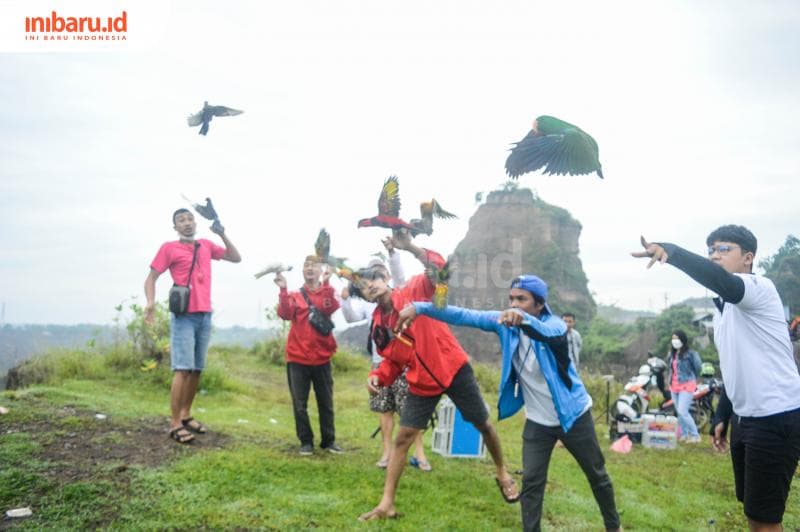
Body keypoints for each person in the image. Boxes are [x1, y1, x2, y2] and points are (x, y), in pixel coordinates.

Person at [397, 274, 621, 532]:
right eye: (511, 299)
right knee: (533, 481)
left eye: (522, 300)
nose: (514, 304)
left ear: (539, 304)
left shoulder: (556, 325)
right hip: (538, 422)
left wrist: (524, 320)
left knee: (597, 474)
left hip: (574, 416)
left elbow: (549, 332)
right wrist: (421, 307)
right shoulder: (503, 323)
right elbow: (462, 314)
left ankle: (614, 527)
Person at [633, 225, 800, 530]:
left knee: (766, 520)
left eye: (724, 249)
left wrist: (672, 253)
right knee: (753, 512)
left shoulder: (759, 288)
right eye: (711, 249)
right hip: (745, 417)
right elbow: (734, 367)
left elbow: (723, 282)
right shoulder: (723, 311)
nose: (714, 255)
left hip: (776, 416)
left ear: (748, 258)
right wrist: (724, 414)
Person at [358, 232, 519, 521]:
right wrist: (378, 376)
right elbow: (393, 359)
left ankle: (502, 471)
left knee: (483, 424)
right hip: (422, 380)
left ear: (385, 279)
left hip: (453, 367)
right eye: (363, 285)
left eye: (373, 278)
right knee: (403, 438)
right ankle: (386, 504)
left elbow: (441, 270)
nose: (369, 284)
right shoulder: (379, 324)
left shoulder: (412, 291)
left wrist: (409, 246)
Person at [144, 208, 241, 444]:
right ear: (175, 227)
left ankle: (186, 414)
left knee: (197, 369)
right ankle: (175, 423)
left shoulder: (206, 245)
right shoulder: (169, 248)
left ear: (195, 223)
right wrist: (150, 304)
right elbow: (151, 279)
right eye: (181, 221)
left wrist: (222, 234)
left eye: (189, 219)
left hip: (205, 314)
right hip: (184, 316)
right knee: (182, 368)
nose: (186, 223)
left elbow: (235, 257)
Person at [337, 242, 430, 471]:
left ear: (385, 277)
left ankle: (419, 453)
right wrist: (346, 298)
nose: (373, 283)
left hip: (405, 362)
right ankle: (387, 452)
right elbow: (350, 317)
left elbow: (401, 278)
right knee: (384, 408)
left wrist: (392, 253)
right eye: (369, 278)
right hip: (381, 361)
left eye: (379, 275)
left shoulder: (396, 294)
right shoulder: (370, 303)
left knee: (410, 407)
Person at [274, 255, 342, 455]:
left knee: (326, 402)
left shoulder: (327, 292)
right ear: (303, 271)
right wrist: (283, 289)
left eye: (314, 265)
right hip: (297, 358)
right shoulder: (294, 295)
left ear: (321, 270)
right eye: (306, 266)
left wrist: (328, 281)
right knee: (299, 403)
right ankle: (306, 441)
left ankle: (329, 441)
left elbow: (331, 307)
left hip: (322, 357)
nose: (310, 268)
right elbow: (285, 314)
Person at [666, 329, 702, 443]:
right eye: (673, 338)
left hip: (687, 385)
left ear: (682, 339)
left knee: (683, 411)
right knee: (679, 411)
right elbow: (671, 369)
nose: (674, 341)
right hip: (674, 385)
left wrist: (693, 378)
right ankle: (684, 434)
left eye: (677, 338)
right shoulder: (671, 354)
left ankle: (695, 435)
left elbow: (698, 367)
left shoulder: (691, 353)